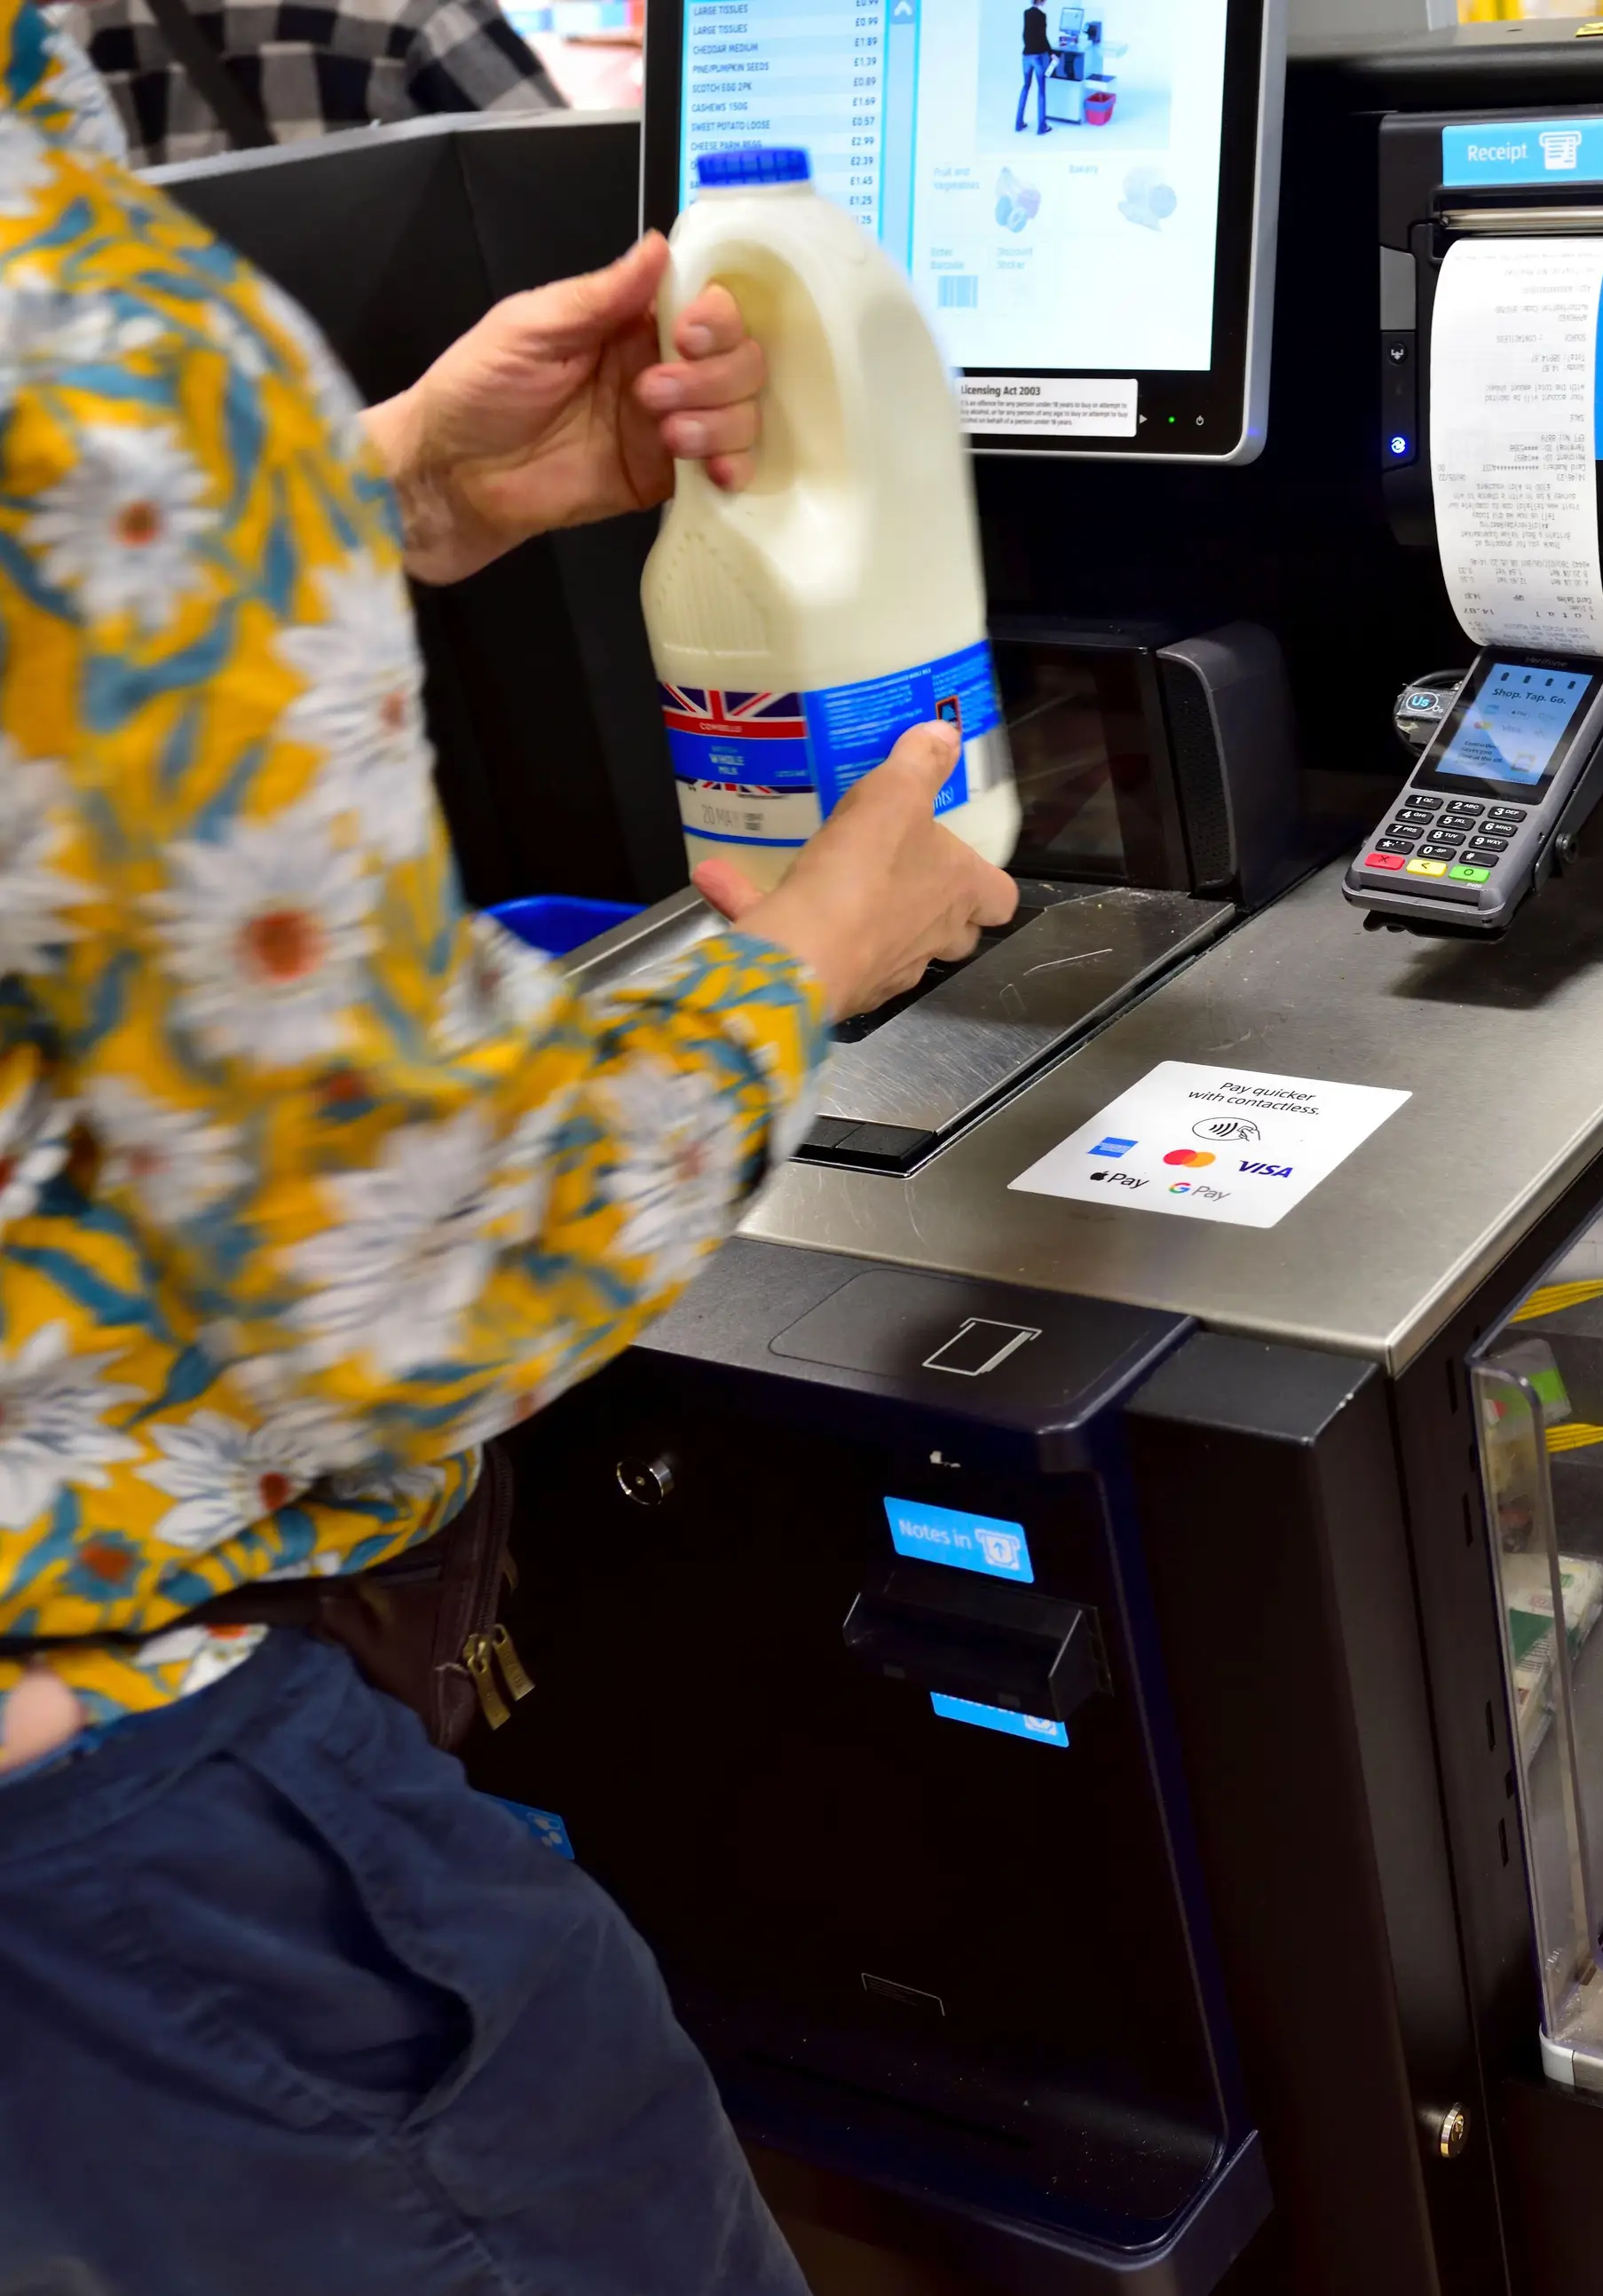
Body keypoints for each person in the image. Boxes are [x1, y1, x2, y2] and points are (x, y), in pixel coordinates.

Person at [0, 2, 1015, 2286]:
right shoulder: (91, 338)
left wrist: (387, 499)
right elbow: (392, 1291)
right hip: (133, 1864)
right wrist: (802, 965)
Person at [59, 0, 565, 168]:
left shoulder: (68, 34)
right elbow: (560, 183)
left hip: (168, 394)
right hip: (400, 386)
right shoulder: (414, 10)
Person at [1015, 0, 1053, 136]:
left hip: (1026, 56)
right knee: (1041, 90)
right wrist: (1052, 53)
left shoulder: (1026, 13)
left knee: (1025, 87)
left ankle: (1019, 124)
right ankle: (1041, 127)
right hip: (1038, 57)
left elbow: (1025, 35)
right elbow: (1043, 38)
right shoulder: (1041, 16)